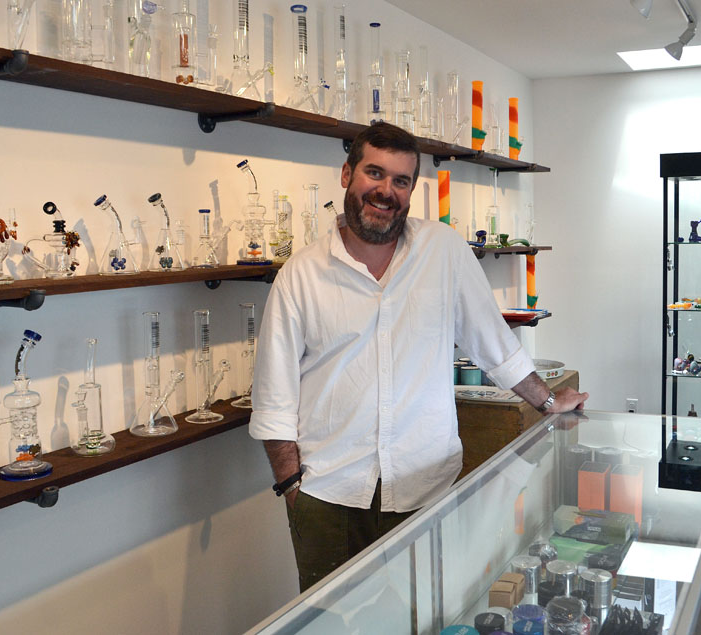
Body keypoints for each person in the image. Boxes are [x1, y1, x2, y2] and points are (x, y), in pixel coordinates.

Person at [249, 122, 588, 592]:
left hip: (427, 490)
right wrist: (292, 491)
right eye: (374, 173)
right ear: (347, 173)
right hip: (329, 497)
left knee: (425, 617)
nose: (386, 190)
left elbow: (493, 343)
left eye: (401, 180)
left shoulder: (442, 249)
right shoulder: (300, 275)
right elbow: (274, 397)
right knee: (333, 626)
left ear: (412, 190)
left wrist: (548, 403)